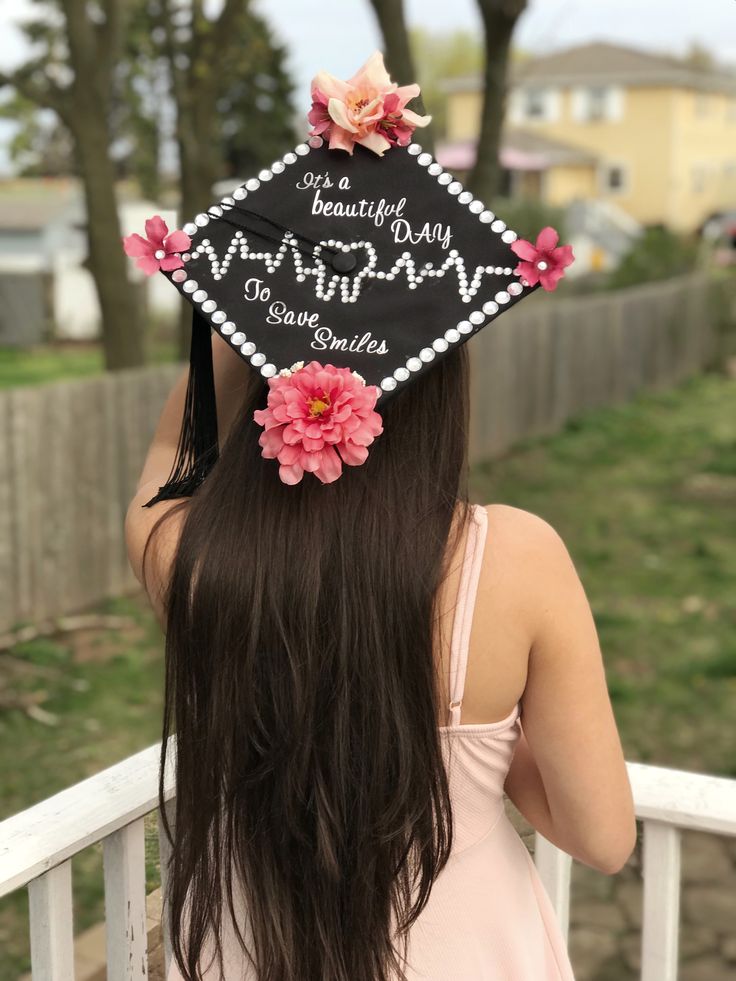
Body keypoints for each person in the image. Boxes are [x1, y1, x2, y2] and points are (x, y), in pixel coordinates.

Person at [124, 52, 635, 981]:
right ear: (443, 369)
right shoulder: (517, 561)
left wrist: (248, 310)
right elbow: (600, 836)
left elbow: (171, 464)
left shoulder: (198, 560)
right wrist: (497, 748)